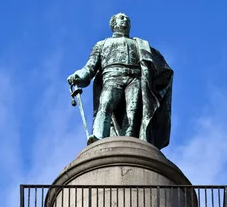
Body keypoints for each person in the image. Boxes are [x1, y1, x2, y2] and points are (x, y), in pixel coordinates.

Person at [67, 13, 173, 149]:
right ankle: (98, 136)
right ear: (113, 24)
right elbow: (90, 67)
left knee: (132, 111)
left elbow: (155, 65)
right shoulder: (102, 44)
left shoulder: (138, 43)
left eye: (127, 19)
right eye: (121, 18)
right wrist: (78, 76)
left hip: (134, 79)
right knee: (105, 104)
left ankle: (128, 140)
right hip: (112, 77)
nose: (125, 20)